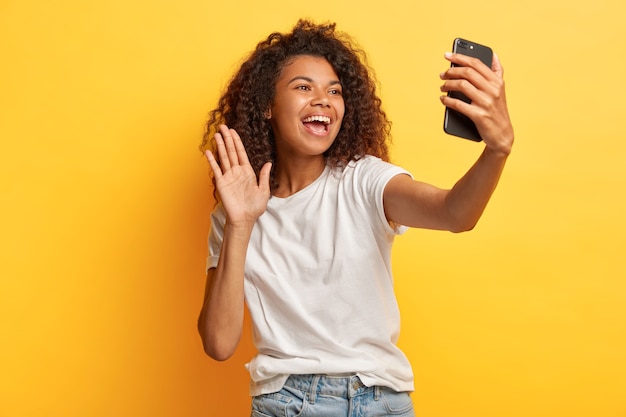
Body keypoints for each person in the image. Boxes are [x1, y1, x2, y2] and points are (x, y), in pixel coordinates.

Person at [197, 19, 513, 417]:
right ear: (266, 106)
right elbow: (219, 344)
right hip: (286, 403)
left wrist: (497, 151)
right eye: (303, 87)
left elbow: (454, 213)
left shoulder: (364, 179)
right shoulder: (235, 211)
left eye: (335, 91)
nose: (324, 100)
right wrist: (241, 224)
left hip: (379, 399)